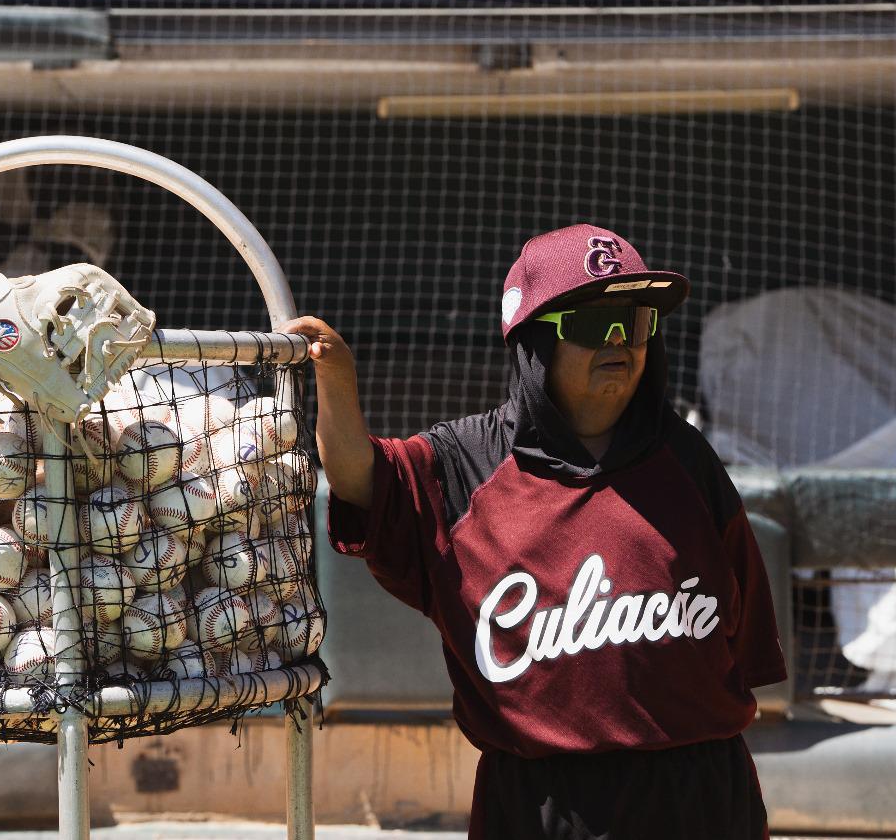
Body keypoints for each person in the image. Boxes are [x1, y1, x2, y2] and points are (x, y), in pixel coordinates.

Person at [281, 224, 787, 840]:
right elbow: (362, 481)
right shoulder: (465, 464)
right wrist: (338, 382)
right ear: (532, 342)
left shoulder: (687, 460)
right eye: (593, 323)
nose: (620, 342)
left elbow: (742, 628)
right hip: (541, 805)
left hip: (698, 797)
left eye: (637, 321)